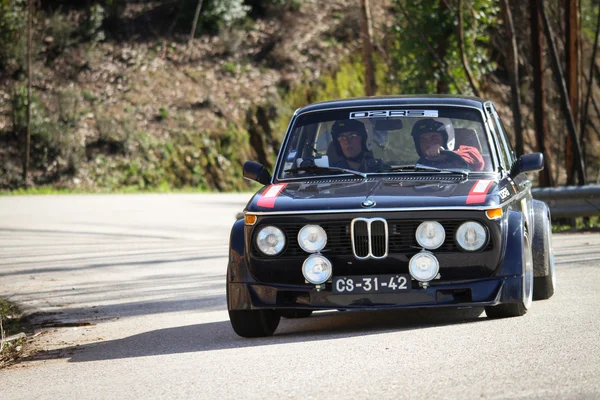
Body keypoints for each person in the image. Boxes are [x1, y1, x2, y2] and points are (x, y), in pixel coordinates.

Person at [411, 118, 484, 171]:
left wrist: (446, 154)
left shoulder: (468, 151)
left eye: (434, 139)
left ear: (447, 138)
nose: (429, 144)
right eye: (423, 140)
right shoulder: (419, 166)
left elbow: (475, 160)